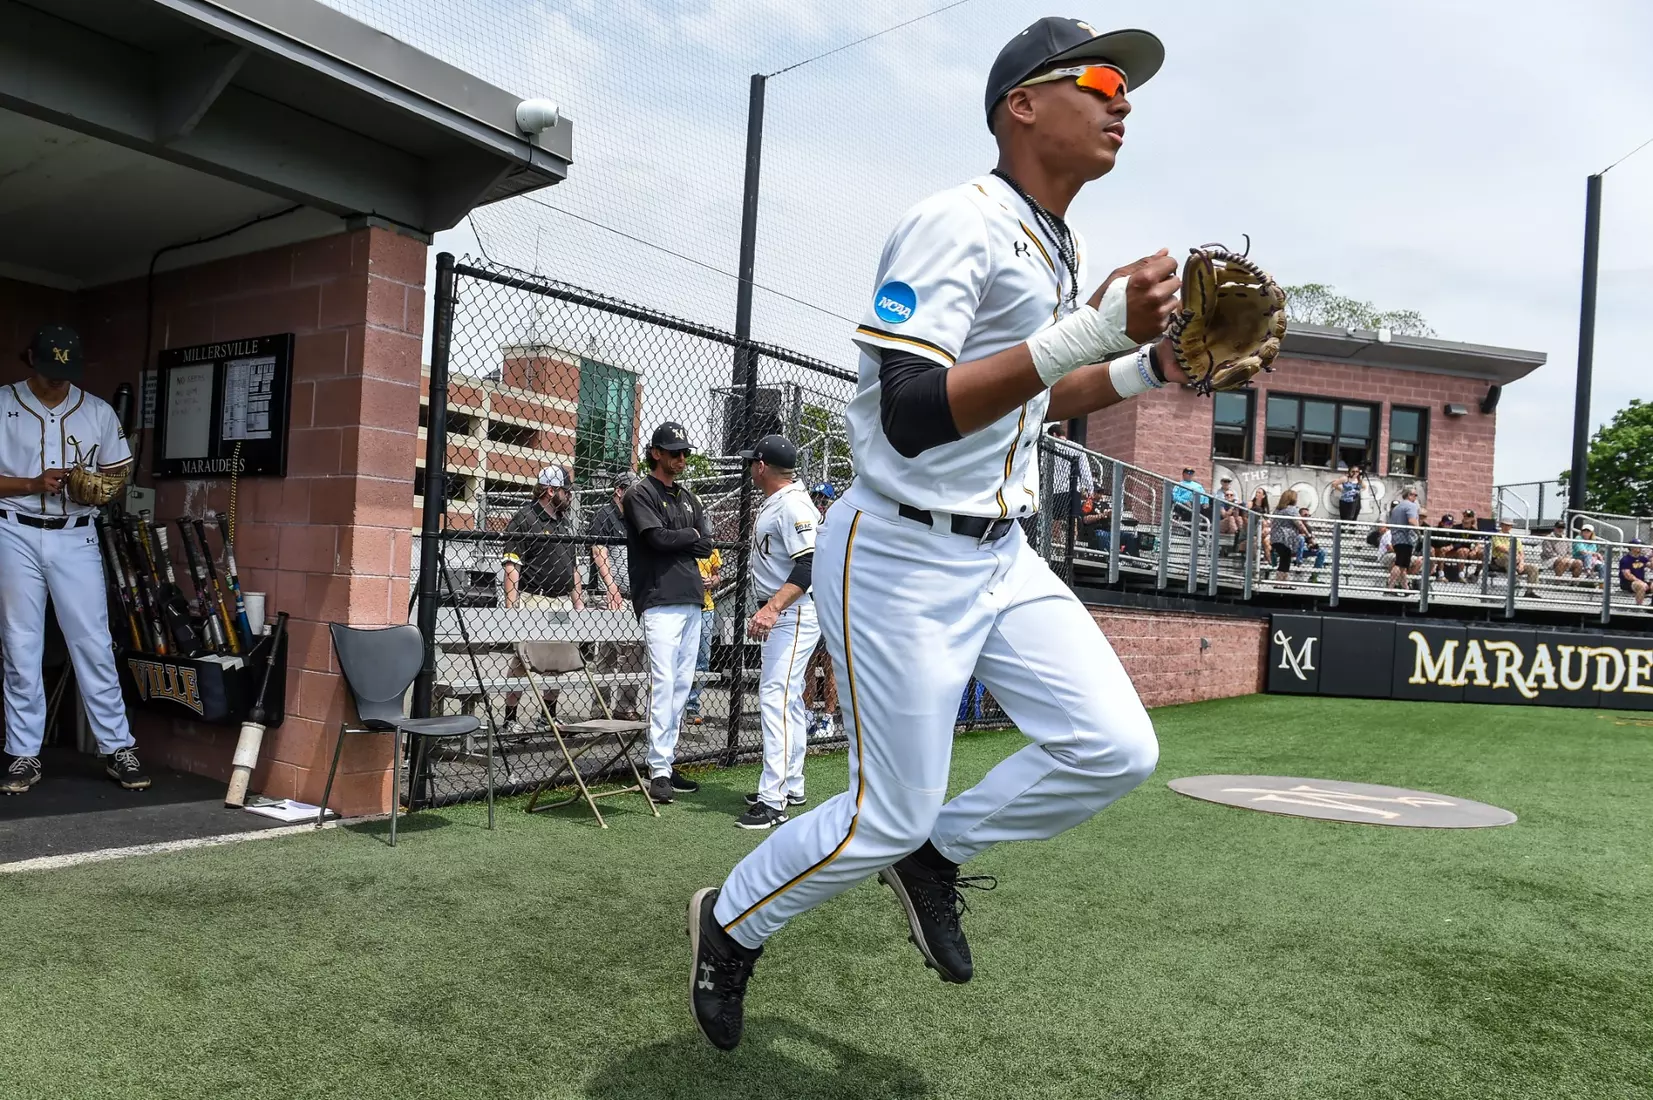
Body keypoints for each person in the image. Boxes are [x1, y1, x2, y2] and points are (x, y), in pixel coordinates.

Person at [689, 18, 1178, 1051]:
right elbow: (912, 407)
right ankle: (730, 917)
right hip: (900, 552)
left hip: (1000, 549)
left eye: (1126, 85)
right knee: (880, 814)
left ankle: (937, 856)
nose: (1121, 98)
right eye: (1099, 78)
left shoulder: (1057, 238)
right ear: (1023, 104)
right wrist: (1093, 329)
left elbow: (1040, 388)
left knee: (1115, 746)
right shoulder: (952, 220)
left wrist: (1148, 370)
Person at [0, 324, 148, 794]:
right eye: (49, 371)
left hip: (76, 534)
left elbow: (115, 470)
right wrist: (29, 484)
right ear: (31, 361)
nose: (57, 381)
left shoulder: (98, 411)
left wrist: (101, 489)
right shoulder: (3, 403)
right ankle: (23, 753)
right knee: (20, 645)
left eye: (65, 373)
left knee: (92, 642)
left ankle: (118, 747)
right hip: (13, 529)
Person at [623, 422, 715, 804]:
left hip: (692, 598)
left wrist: (688, 538)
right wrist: (688, 538)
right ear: (656, 453)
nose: (681, 458)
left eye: (685, 453)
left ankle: (667, 761)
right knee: (664, 684)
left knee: (681, 686)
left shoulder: (689, 498)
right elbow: (656, 539)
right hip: (659, 599)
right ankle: (658, 769)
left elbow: (707, 543)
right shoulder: (640, 493)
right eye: (674, 452)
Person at [733, 435, 820, 831]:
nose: (751, 467)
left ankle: (774, 800)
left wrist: (770, 608)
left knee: (775, 698)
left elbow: (809, 567)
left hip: (794, 612)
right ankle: (792, 784)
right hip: (788, 611)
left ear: (762, 466)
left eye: (754, 462)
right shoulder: (780, 502)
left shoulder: (794, 505)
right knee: (788, 699)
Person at [499, 465, 585, 732]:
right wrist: (512, 607)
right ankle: (510, 720)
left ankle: (548, 716)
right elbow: (512, 565)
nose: (569, 497)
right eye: (565, 492)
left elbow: (572, 569)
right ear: (550, 491)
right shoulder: (525, 518)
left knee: (557, 662)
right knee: (524, 660)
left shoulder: (564, 523)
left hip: (560, 602)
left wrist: (579, 602)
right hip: (533, 599)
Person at [588, 470, 644, 719]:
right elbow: (599, 552)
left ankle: (624, 706)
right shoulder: (605, 515)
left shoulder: (637, 517)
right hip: (610, 593)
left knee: (633, 651)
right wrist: (611, 586)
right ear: (619, 491)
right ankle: (601, 706)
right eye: (632, 490)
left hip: (634, 596)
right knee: (607, 656)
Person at [802, 483, 839, 741]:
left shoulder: (836, 527)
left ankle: (827, 717)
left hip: (827, 602)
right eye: (816, 498)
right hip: (808, 598)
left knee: (829, 665)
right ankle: (806, 713)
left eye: (824, 499)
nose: (819, 503)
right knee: (806, 663)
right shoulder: (807, 524)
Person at [683, 544, 722, 726]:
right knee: (680, 656)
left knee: (702, 659)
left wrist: (712, 581)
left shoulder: (711, 548)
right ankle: (676, 703)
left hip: (706, 607)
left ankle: (692, 705)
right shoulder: (681, 543)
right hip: (683, 604)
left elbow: (717, 576)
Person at [1045, 421, 1093, 524]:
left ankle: (1055, 539)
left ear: (1053, 435)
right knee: (1072, 520)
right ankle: (1073, 539)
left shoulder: (1049, 448)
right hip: (1073, 488)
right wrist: (1090, 489)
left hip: (1054, 489)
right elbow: (1085, 470)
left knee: (1054, 520)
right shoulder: (1077, 448)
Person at [1491, 519, 1542, 597]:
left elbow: (1521, 552)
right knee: (1508, 558)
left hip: (1516, 561)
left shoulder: (1515, 537)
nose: (1507, 527)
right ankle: (1514, 581)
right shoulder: (1496, 535)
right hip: (1499, 560)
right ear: (1501, 525)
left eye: (1509, 525)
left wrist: (1521, 562)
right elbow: (1499, 548)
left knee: (1533, 568)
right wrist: (1513, 553)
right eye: (1505, 525)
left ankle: (1529, 592)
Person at [1386, 487, 1421, 590]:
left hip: (1396, 538)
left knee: (1403, 566)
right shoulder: (1411, 506)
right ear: (1409, 495)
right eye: (1414, 495)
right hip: (1405, 539)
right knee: (1399, 564)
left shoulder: (1397, 507)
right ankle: (1390, 588)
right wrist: (1419, 533)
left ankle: (1405, 588)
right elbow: (1412, 521)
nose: (1415, 497)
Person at [1269, 489, 1306, 581]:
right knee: (1285, 561)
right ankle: (1280, 582)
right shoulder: (1292, 510)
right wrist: (1309, 535)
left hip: (1275, 538)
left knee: (1284, 560)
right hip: (1285, 539)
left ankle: (1282, 581)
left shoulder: (1277, 510)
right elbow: (1299, 524)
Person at [1296, 506, 1327, 583]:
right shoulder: (1294, 525)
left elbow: (1310, 542)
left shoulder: (1309, 528)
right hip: (1293, 549)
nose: (1307, 517)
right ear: (1299, 516)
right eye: (1305, 515)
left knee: (1322, 552)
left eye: (1308, 516)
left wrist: (1312, 546)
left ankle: (1314, 577)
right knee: (1301, 538)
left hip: (1303, 550)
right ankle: (1298, 563)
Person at [1620, 539, 1650, 606]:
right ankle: (1639, 607)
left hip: (1641, 581)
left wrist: (1651, 556)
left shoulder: (1642, 558)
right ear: (1631, 547)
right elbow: (1627, 575)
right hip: (1627, 583)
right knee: (1641, 586)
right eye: (1637, 546)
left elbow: (1651, 565)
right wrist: (1640, 581)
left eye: (1640, 546)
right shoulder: (1626, 559)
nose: (1640, 548)